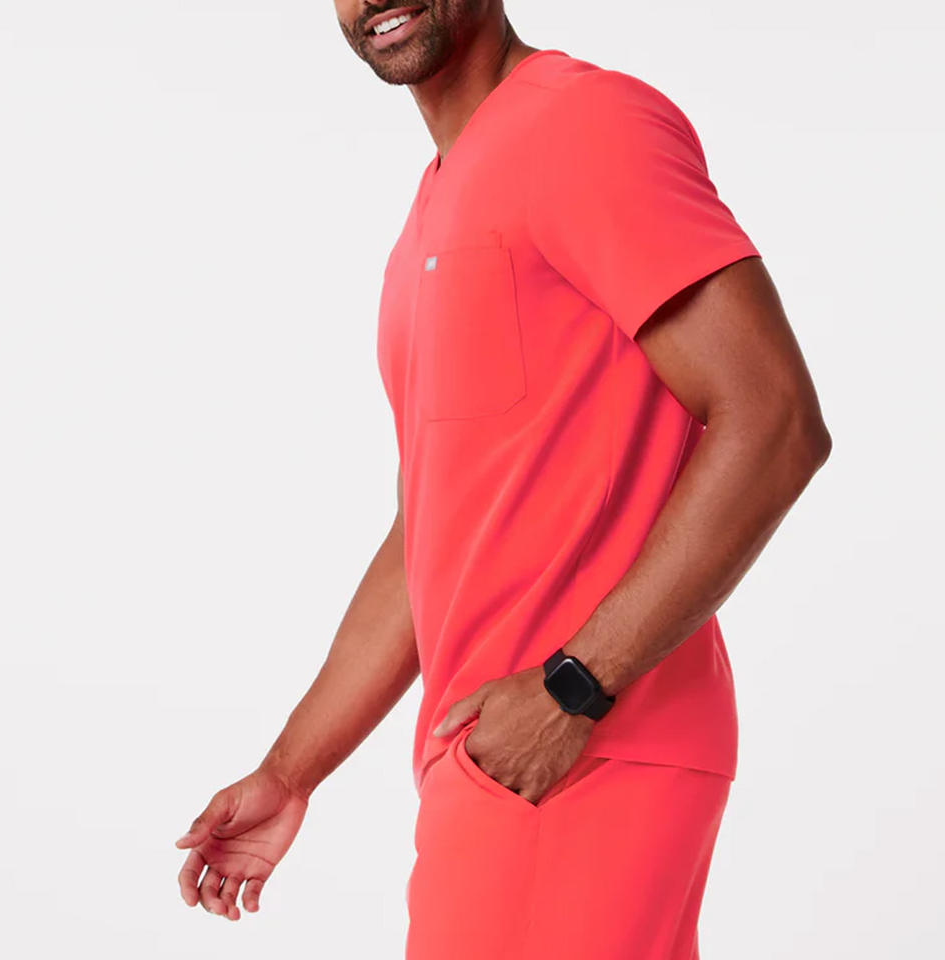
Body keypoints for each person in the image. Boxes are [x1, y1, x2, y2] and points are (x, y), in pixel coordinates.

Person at [175, 3, 832, 956]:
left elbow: (774, 420)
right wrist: (291, 770)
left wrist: (574, 690)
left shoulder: (585, 124)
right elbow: (432, 527)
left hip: (582, 745)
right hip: (502, 755)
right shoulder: (436, 200)